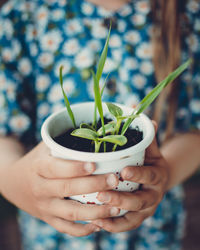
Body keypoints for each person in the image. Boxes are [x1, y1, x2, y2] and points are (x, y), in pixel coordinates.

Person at [0, 0, 200, 249]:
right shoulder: (21, 17)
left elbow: (194, 129)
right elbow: (3, 134)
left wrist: (163, 174)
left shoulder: (187, 15)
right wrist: (16, 182)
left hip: (152, 233)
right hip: (54, 237)